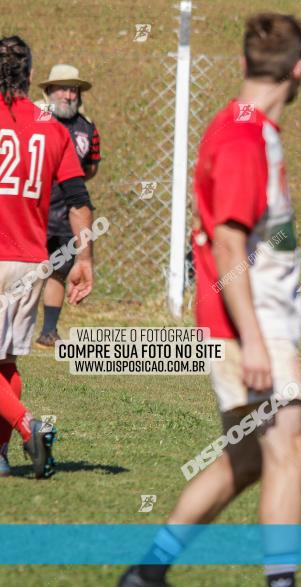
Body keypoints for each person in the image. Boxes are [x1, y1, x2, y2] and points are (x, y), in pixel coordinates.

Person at [119, 13, 301, 587]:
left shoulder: (247, 127)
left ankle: (148, 571)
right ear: (299, 70)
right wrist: (252, 340)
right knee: (290, 452)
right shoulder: (243, 136)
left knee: (249, 458)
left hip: (250, 324)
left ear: (243, 64)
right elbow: (229, 243)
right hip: (250, 329)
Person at [0, 36, 95, 477]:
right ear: (31, 77)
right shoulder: (53, 129)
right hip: (31, 261)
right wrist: (84, 258)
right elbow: (77, 198)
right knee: (6, 363)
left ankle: (27, 426)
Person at [34, 64, 101, 347]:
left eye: (73, 89)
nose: (68, 95)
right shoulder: (36, 121)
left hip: (66, 213)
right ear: (49, 91)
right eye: (62, 88)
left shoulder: (87, 129)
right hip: (32, 208)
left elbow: (92, 167)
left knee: (58, 271)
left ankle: (48, 331)